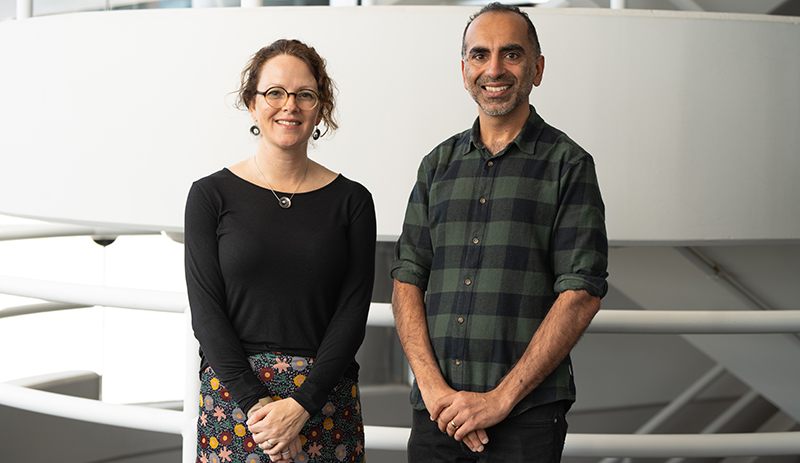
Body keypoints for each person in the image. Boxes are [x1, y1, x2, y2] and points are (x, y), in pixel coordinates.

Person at [390, 3, 608, 462]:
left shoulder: (568, 166)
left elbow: (582, 291)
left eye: (511, 54)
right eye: (479, 55)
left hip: (525, 418)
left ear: (537, 68)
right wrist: (433, 392)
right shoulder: (437, 166)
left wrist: (497, 401)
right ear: (464, 69)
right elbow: (407, 278)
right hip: (437, 416)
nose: (494, 69)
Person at [185, 39, 376, 463]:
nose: (289, 105)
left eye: (305, 95)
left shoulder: (353, 201)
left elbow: (352, 313)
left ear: (320, 108)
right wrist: (260, 408)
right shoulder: (209, 196)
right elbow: (206, 312)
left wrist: (301, 406)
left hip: (325, 401)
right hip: (235, 403)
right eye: (274, 93)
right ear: (252, 104)